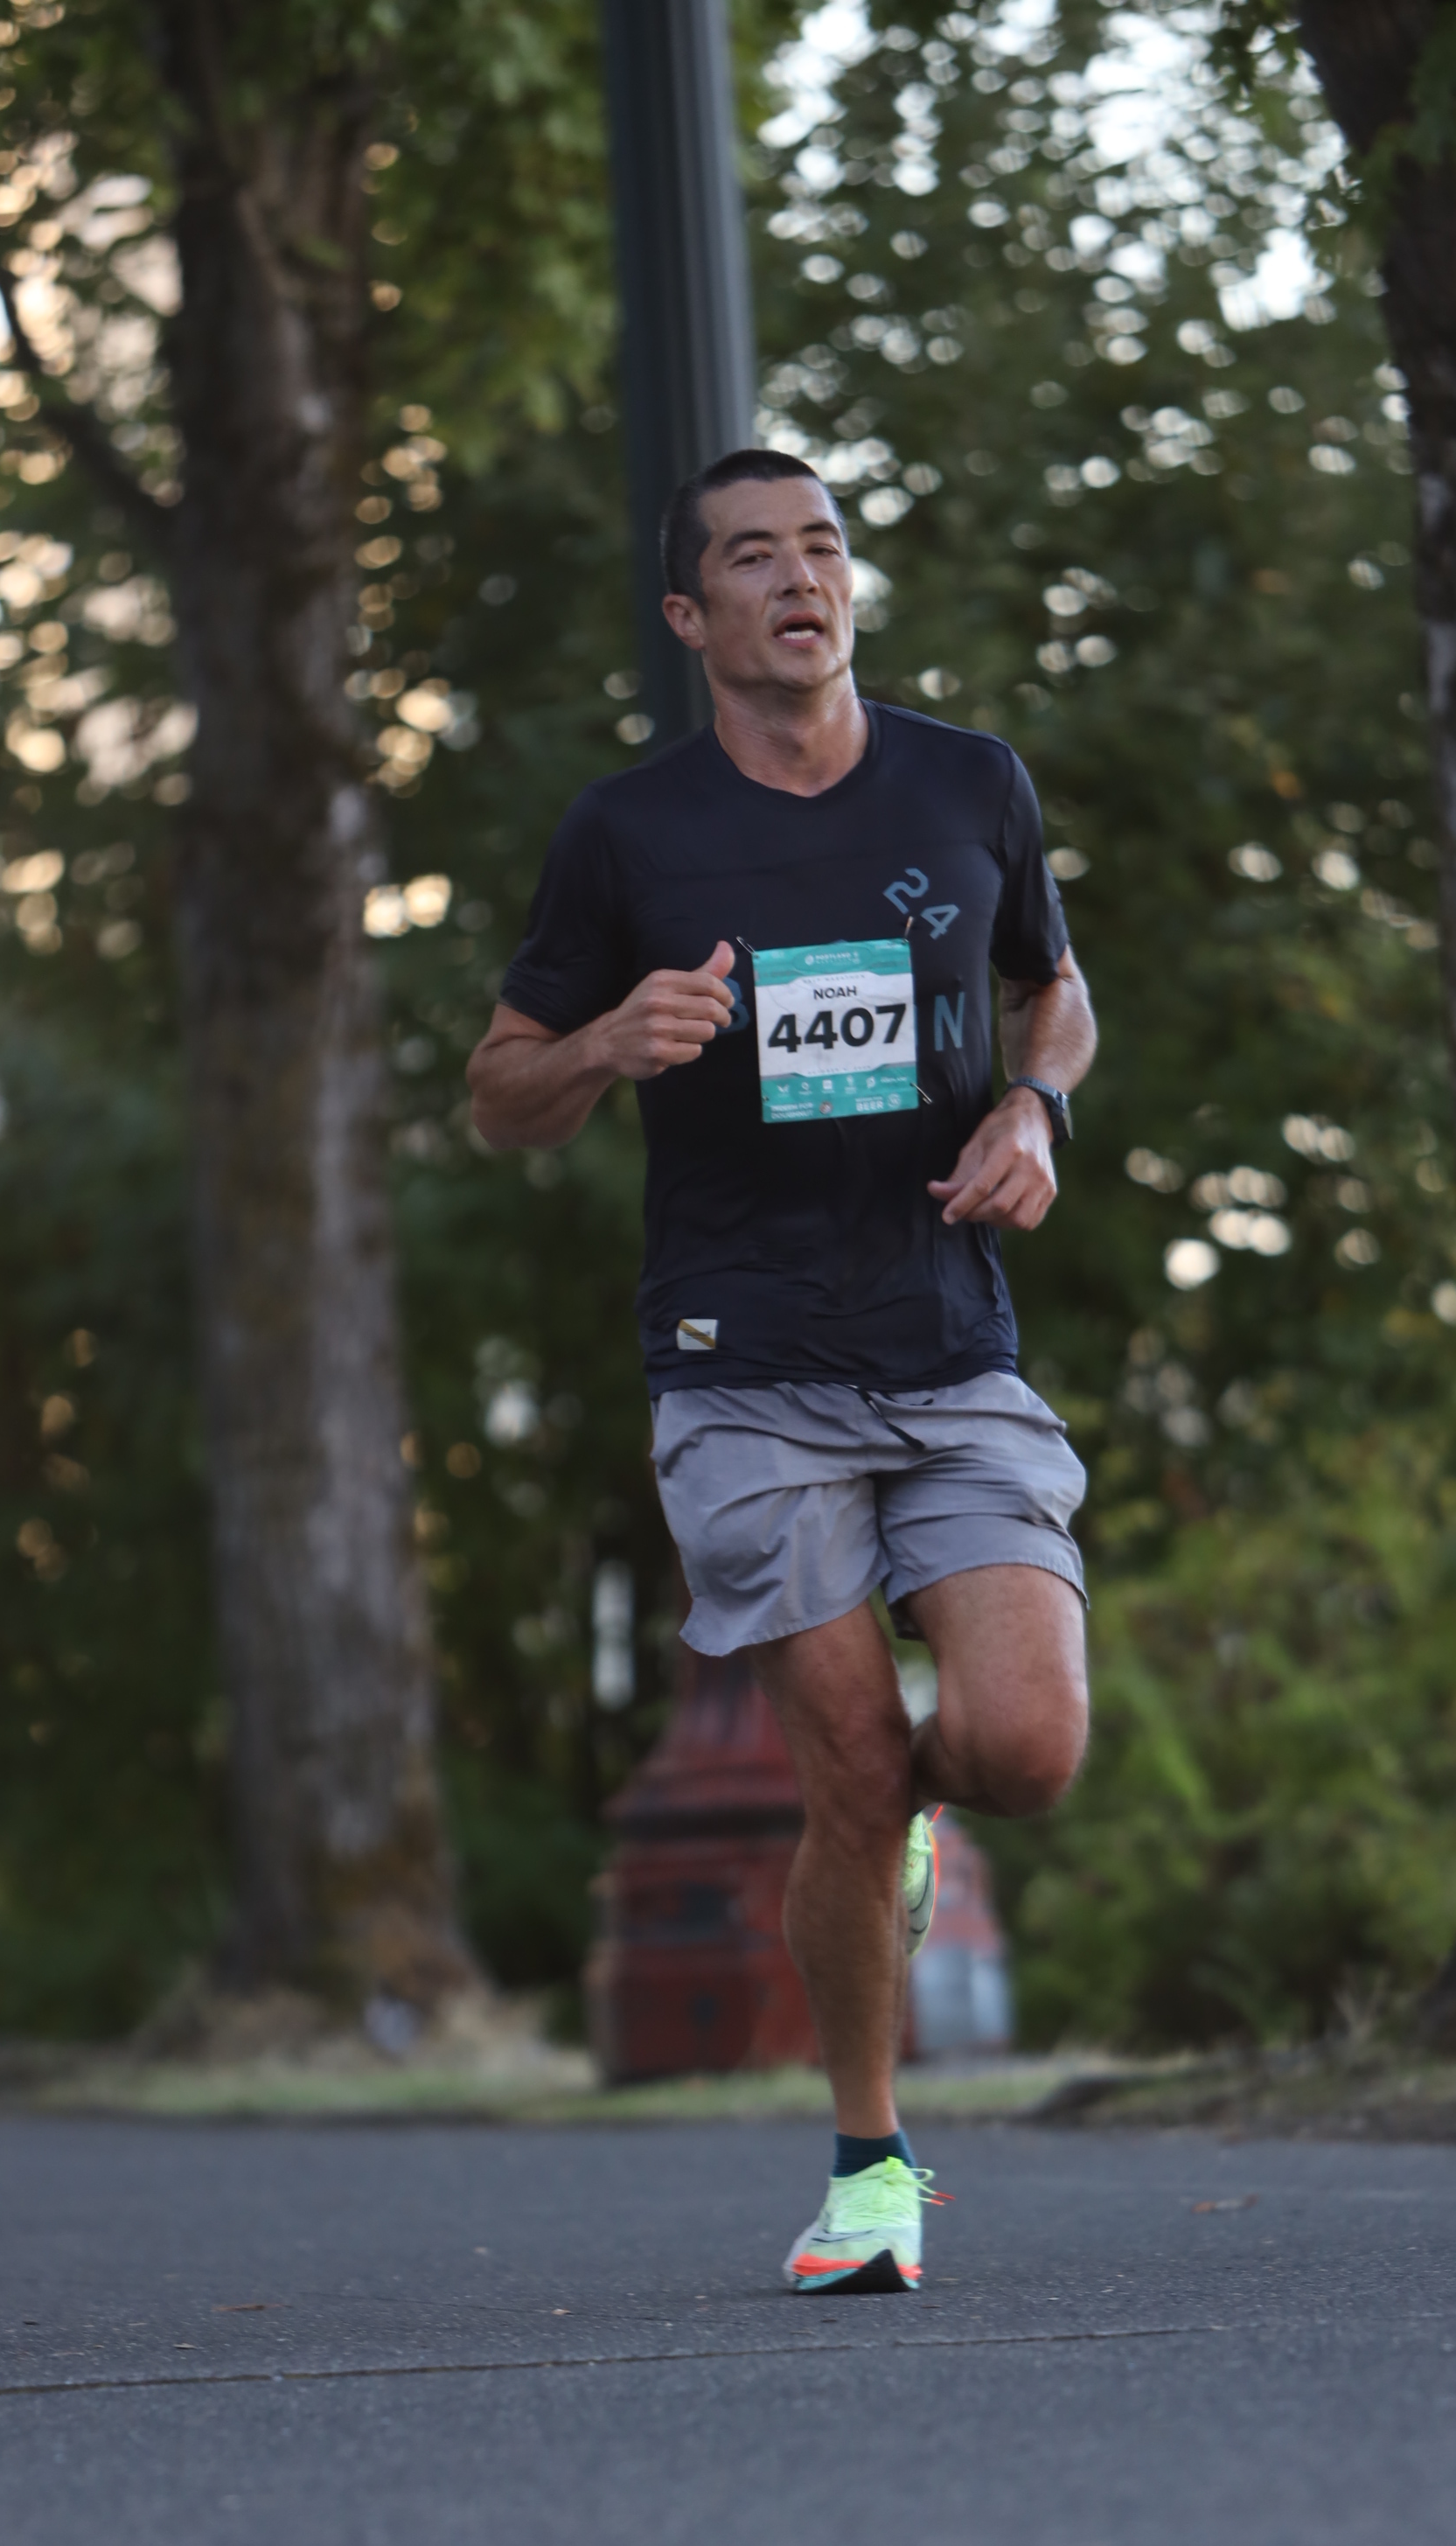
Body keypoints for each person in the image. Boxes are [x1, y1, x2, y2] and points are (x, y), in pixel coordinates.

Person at [467, 448, 1095, 2295]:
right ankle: (870, 2166)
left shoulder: (968, 781)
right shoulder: (627, 835)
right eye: (751, 558)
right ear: (691, 616)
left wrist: (1035, 1109)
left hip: (947, 1341)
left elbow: (1053, 985)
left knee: (1024, 1750)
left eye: (820, 546)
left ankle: (899, 1821)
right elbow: (499, 1093)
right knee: (848, 1763)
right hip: (738, 1364)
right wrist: (605, 1041)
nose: (798, 578)